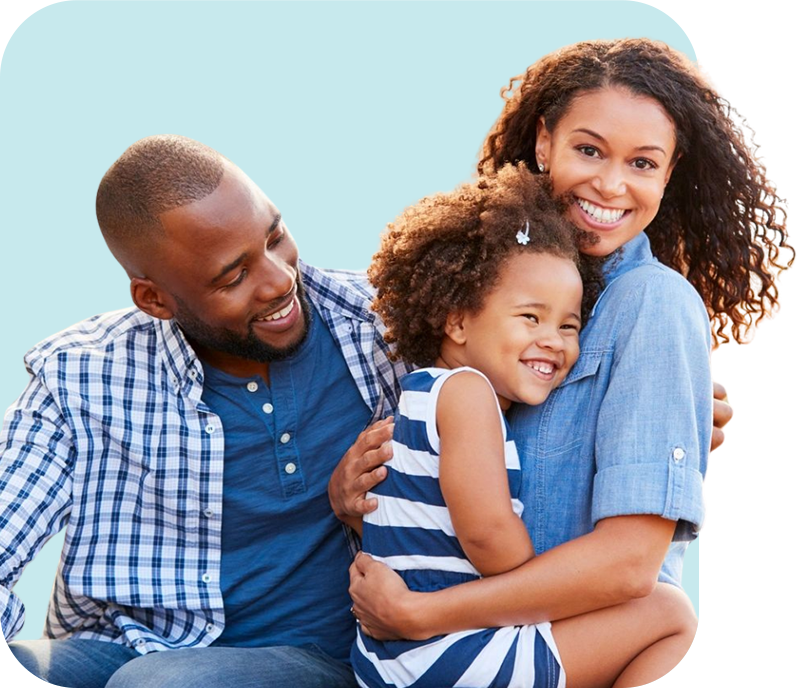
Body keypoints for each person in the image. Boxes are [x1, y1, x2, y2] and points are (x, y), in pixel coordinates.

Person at [338, 38, 786, 686]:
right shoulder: (487, 296)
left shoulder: (653, 306)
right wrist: (351, 494)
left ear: (670, 172)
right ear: (545, 142)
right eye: (588, 149)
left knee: (672, 615)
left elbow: (628, 567)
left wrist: (423, 615)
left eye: (643, 162)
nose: (610, 183)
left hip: (500, 645)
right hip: (463, 654)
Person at [1, 134, 409, 688]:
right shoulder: (80, 377)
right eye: (234, 276)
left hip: (315, 662)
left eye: (276, 237)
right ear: (155, 300)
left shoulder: (384, 326)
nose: (279, 279)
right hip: (126, 649)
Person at [352, 163, 698, 688]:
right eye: (530, 318)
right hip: (449, 655)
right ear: (459, 320)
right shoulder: (467, 396)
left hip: (394, 656)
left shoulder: (418, 398)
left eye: (569, 325)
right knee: (671, 615)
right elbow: (490, 537)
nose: (554, 341)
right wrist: (542, 577)